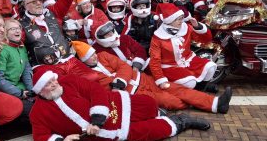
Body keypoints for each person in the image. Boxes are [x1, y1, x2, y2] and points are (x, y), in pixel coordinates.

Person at [29, 69, 211, 141]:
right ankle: (183, 122)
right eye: (48, 84)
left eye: (53, 80)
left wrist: (97, 118)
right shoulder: (37, 113)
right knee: (155, 131)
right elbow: (40, 136)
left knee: (147, 103)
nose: (54, 85)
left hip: (117, 106)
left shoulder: (69, 81)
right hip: (110, 133)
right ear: (40, 90)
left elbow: (95, 91)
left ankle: (160, 113)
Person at [72, 40, 232, 113]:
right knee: (172, 101)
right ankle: (199, 103)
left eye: (92, 54)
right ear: (84, 60)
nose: (94, 57)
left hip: (143, 79)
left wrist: (119, 80)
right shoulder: (88, 74)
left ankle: (216, 103)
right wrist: (118, 82)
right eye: (89, 57)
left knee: (176, 88)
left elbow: (124, 67)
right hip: (135, 93)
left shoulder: (103, 55)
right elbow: (105, 86)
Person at [20, 0, 82, 66]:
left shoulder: (53, 12)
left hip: (68, 60)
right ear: (26, 6)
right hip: (45, 67)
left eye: (40, 0)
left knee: (92, 77)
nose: (38, 3)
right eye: (34, 2)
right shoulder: (22, 24)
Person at [149, 3, 217, 92]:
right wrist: (160, 79)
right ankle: (193, 93)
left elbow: (205, 40)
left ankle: (200, 90)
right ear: (170, 21)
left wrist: (197, 27)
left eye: (182, 18)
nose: (181, 21)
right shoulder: (158, 37)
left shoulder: (186, 27)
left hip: (189, 61)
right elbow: (154, 61)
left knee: (210, 67)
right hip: (170, 67)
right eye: (178, 19)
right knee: (190, 82)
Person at [0, 19, 33, 119]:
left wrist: (31, 90)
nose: (17, 31)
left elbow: (26, 70)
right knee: (31, 110)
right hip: (5, 91)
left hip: (19, 87)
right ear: (5, 33)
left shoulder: (21, 46)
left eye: (18, 28)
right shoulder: (2, 49)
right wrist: (19, 93)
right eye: (13, 29)